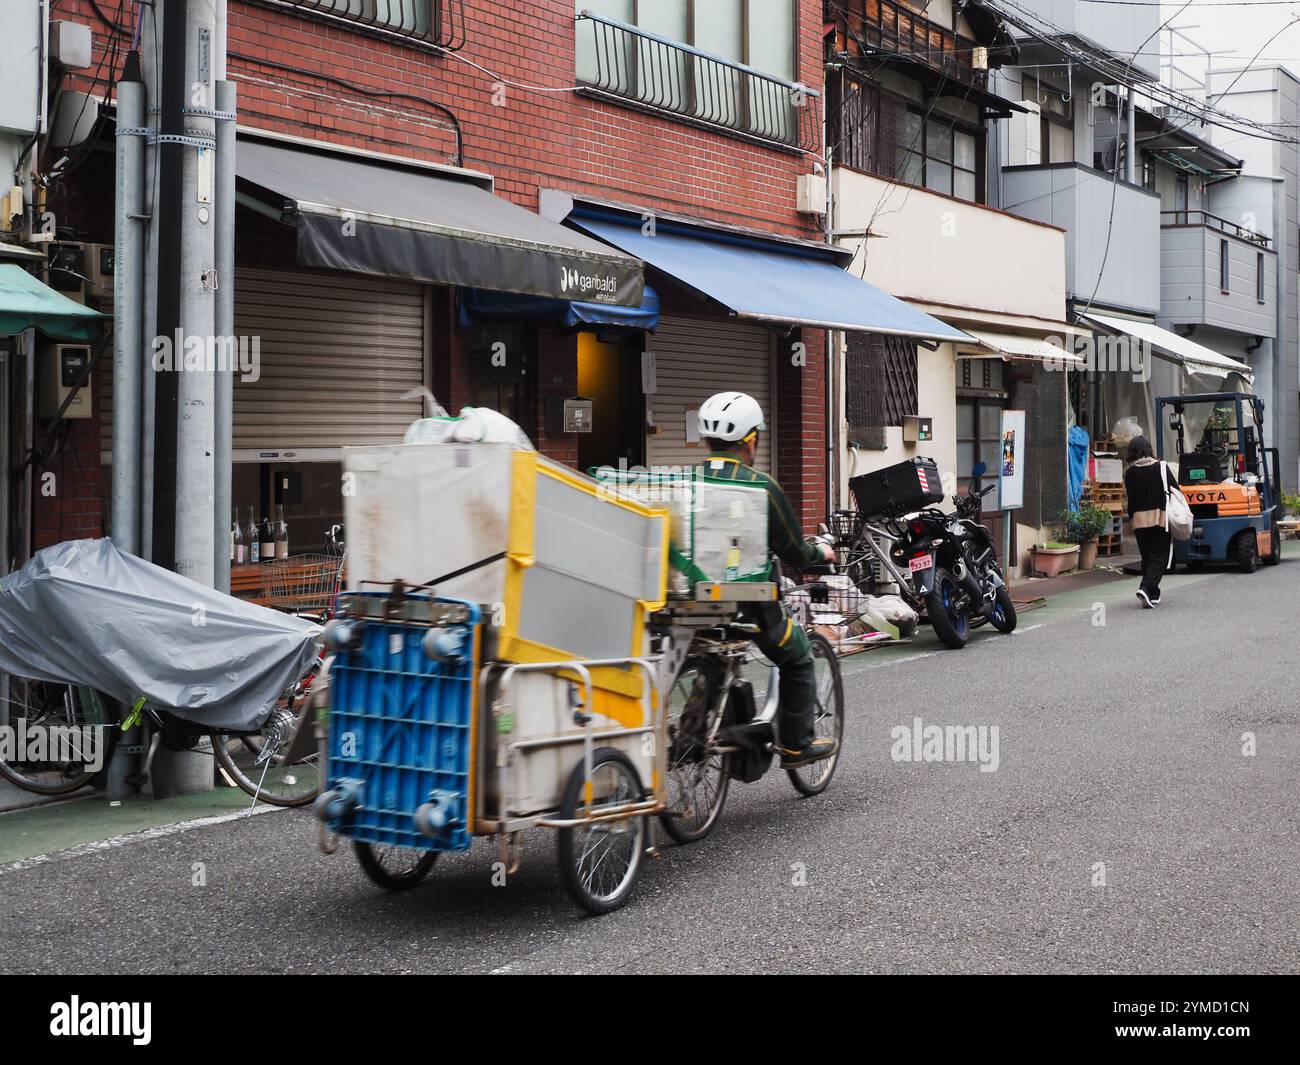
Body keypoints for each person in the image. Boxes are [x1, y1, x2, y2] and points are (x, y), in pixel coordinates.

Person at [696, 391, 837, 768]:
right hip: (745, 606)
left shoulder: (688, 481)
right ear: (750, 439)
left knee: (705, 652)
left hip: (688, 604)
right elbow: (792, 550)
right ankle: (796, 747)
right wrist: (819, 553)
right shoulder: (761, 486)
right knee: (797, 656)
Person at [1124, 434, 1174, 608]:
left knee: (1147, 557)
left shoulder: (1129, 473)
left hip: (1139, 521)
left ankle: (1153, 594)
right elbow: (1175, 489)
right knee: (1159, 556)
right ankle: (1145, 587)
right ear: (1148, 450)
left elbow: (1131, 498)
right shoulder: (1161, 467)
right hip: (1159, 518)